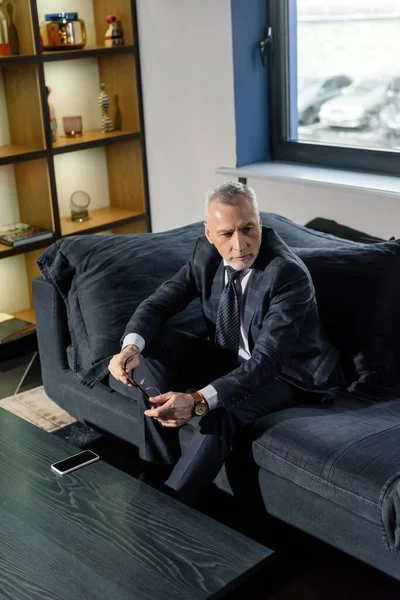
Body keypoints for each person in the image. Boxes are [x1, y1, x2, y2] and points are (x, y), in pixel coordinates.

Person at [108, 181, 339, 503]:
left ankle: (171, 502)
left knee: (221, 410)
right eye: (227, 234)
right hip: (229, 355)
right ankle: (157, 467)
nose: (240, 245)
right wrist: (130, 348)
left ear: (259, 223)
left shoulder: (287, 274)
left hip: (288, 373)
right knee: (150, 345)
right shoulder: (205, 255)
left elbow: (266, 360)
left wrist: (197, 399)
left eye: (248, 229)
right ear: (209, 234)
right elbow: (158, 304)